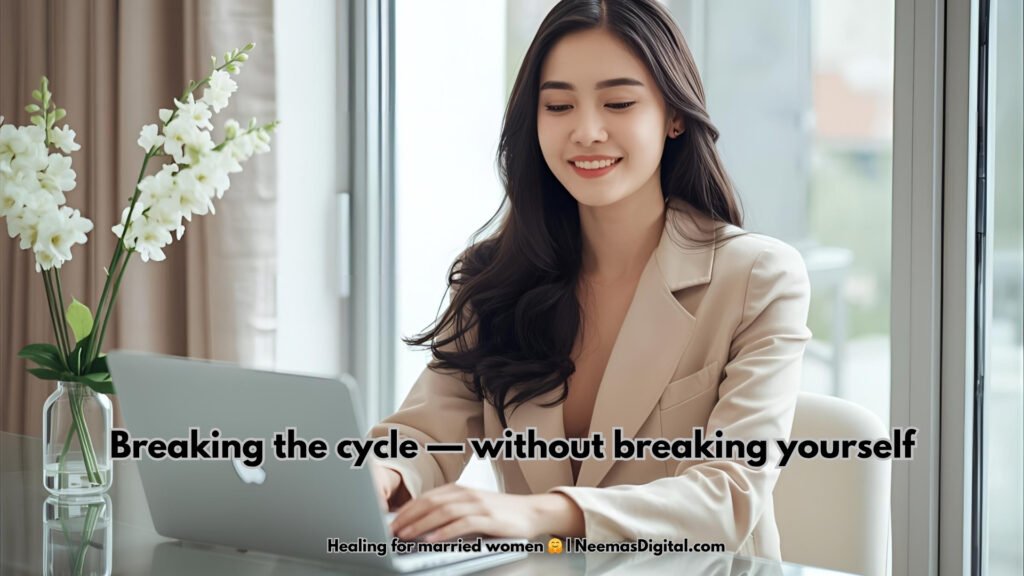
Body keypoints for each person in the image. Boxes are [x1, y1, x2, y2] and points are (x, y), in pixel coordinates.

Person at [369, 0, 810, 561]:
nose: (587, 131)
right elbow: (426, 436)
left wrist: (542, 512)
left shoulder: (756, 279)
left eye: (619, 102)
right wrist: (381, 476)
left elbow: (728, 497)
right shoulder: (495, 277)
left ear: (674, 115)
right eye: (558, 105)